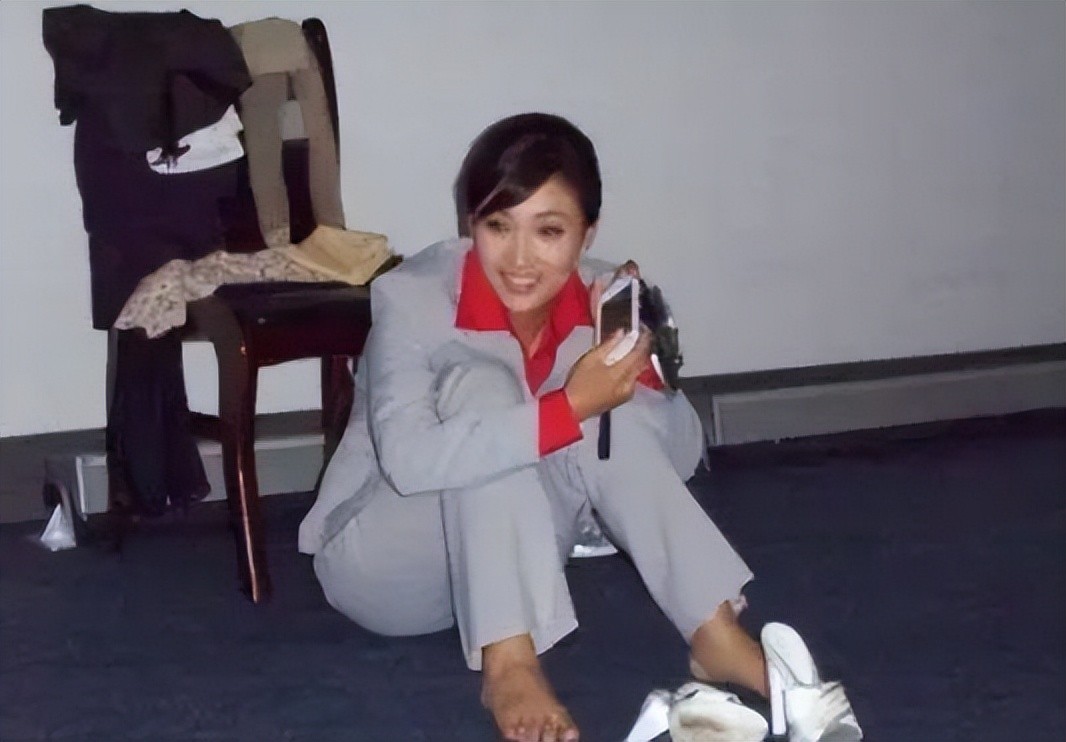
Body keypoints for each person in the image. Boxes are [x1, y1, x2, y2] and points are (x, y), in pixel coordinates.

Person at [298, 113, 859, 742]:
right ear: (470, 224)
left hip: (515, 554)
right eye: (497, 226)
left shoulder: (603, 297)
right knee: (485, 387)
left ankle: (714, 634)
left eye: (549, 231)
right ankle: (509, 666)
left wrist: (643, 378)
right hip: (388, 563)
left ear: (587, 232)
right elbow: (407, 461)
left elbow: (681, 456)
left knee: (601, 408)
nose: (519, 258)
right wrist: (568, 406)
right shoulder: (412, 298)